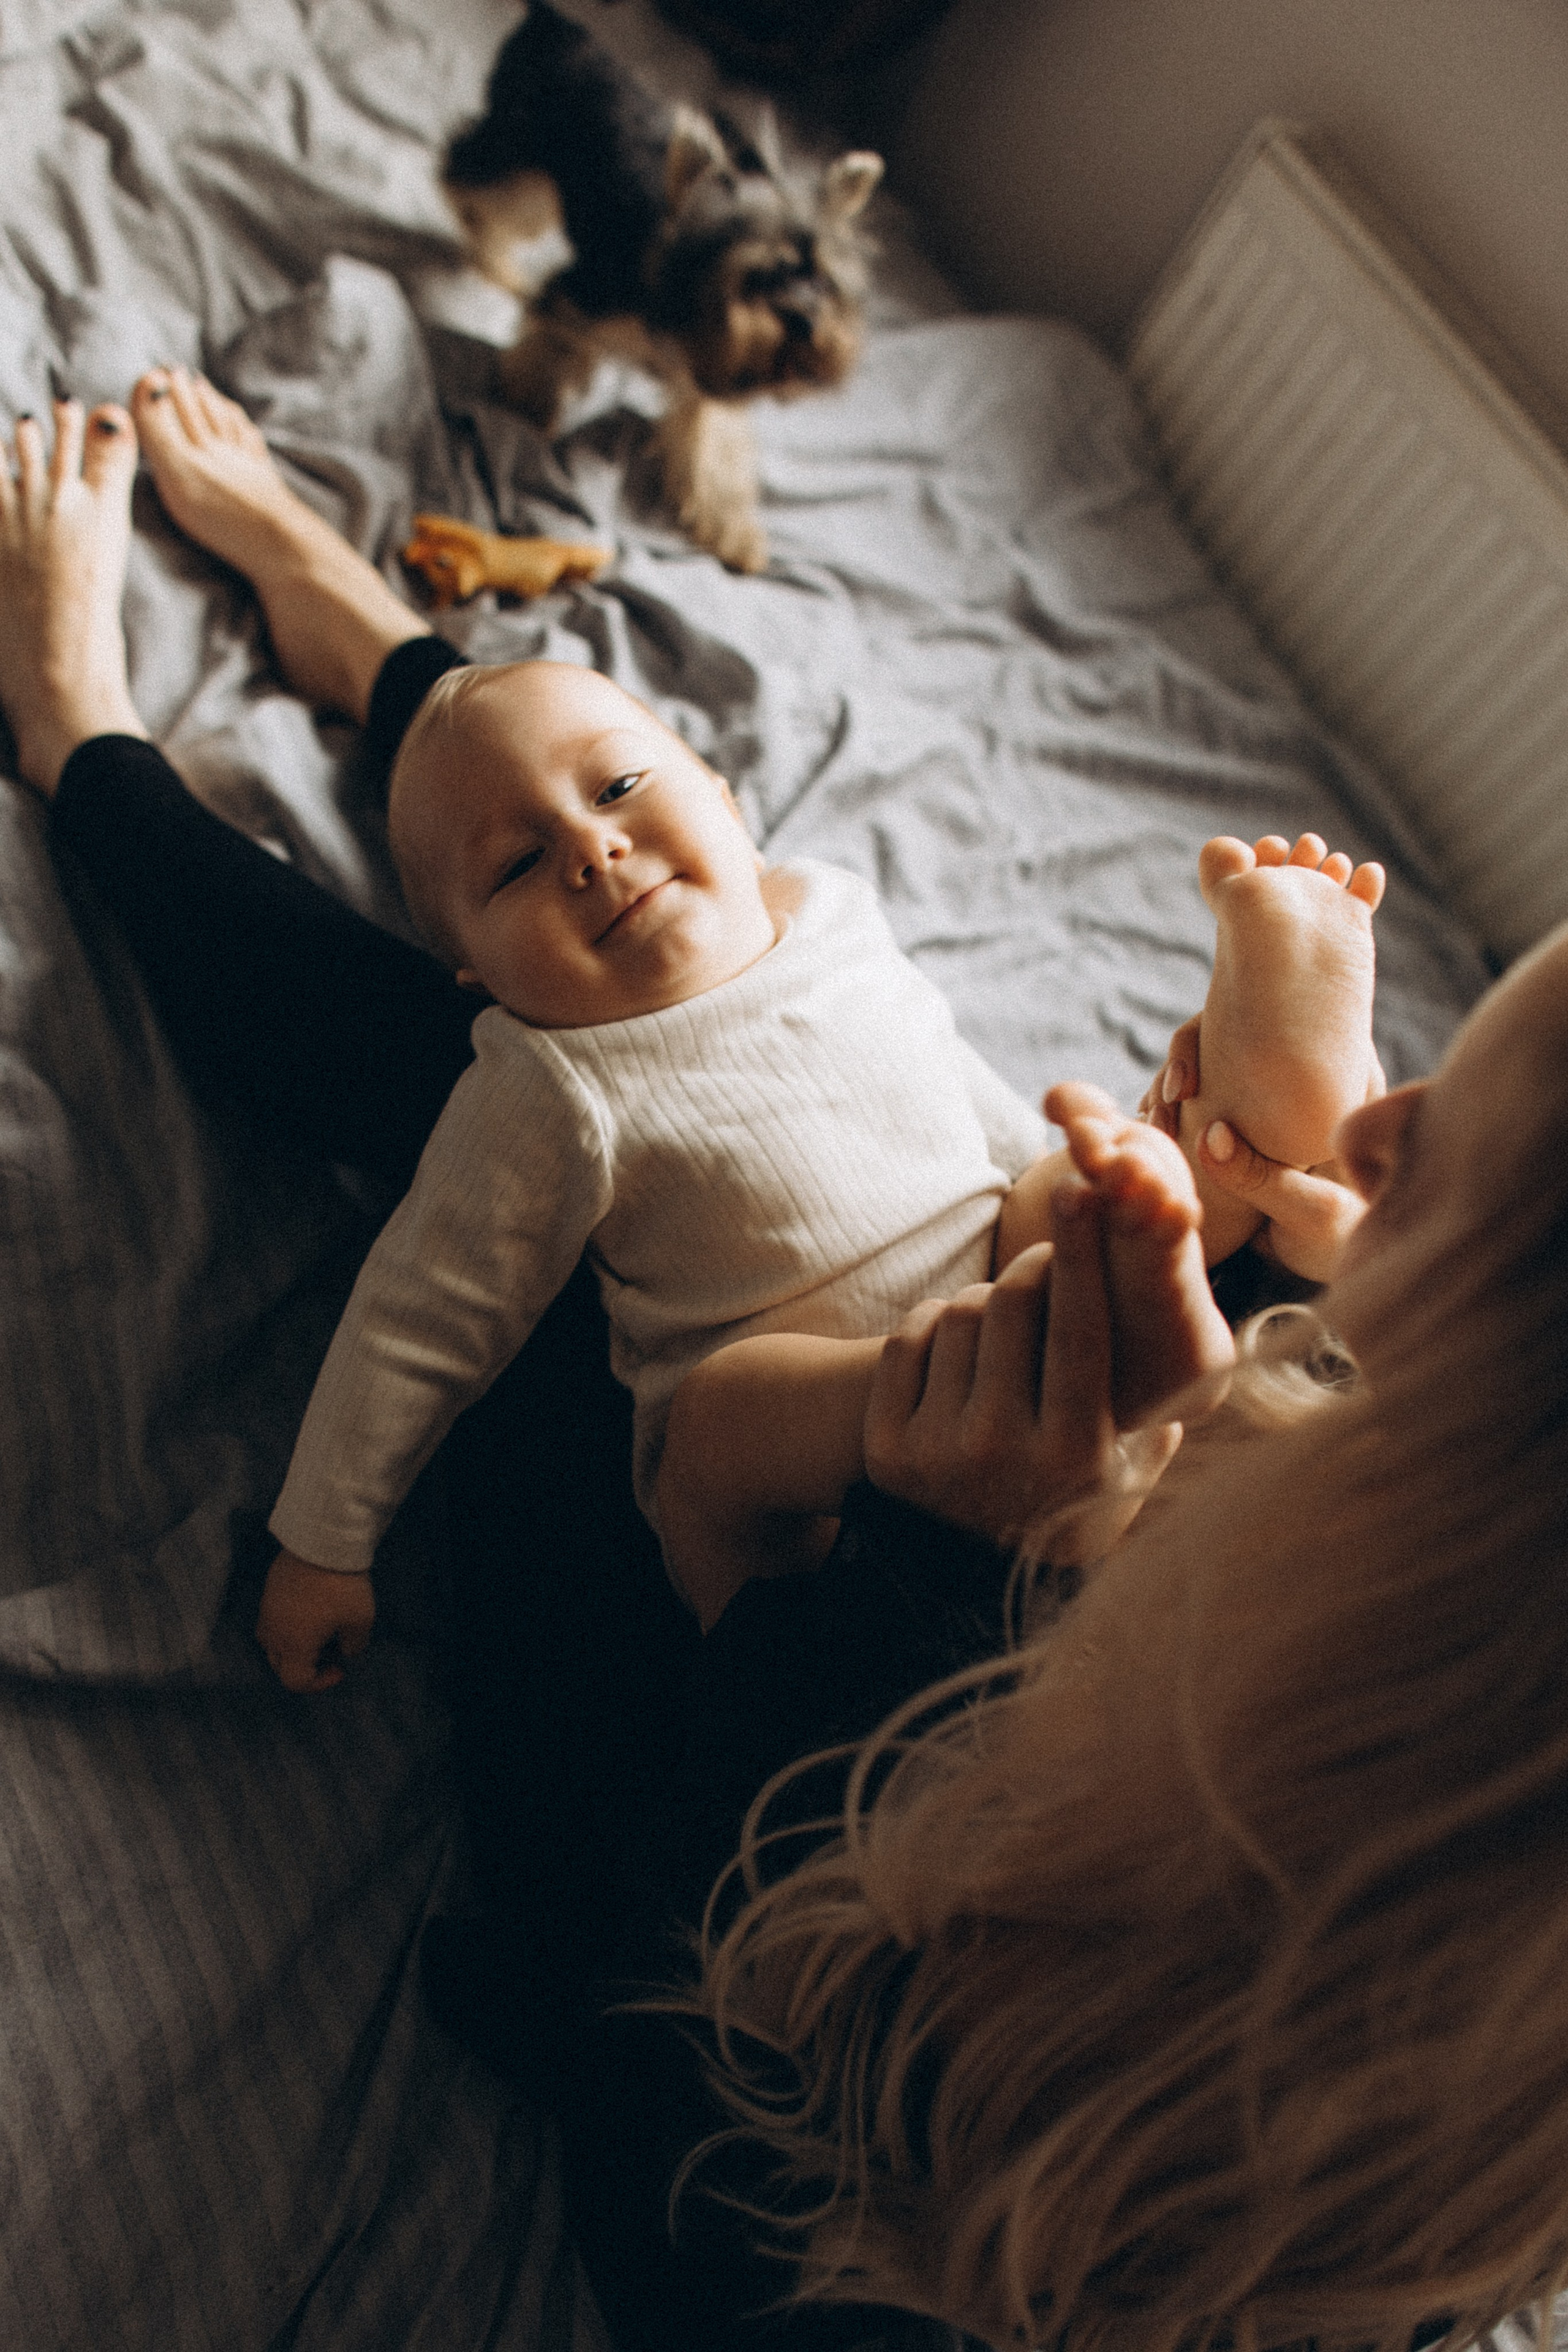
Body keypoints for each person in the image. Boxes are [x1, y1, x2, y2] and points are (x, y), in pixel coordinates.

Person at [9, 380, 1542, 2352]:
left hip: (749, 1824)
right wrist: (1211, 1245)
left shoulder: (1214, 2146)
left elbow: (692, 2123)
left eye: (1461, 1167)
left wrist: (931, 1557)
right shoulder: (1461, 1565)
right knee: (621, 984)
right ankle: (395, 658)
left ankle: (81, 737)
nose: (1396, 1132)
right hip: (1048, 1530)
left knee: (535, 1107)